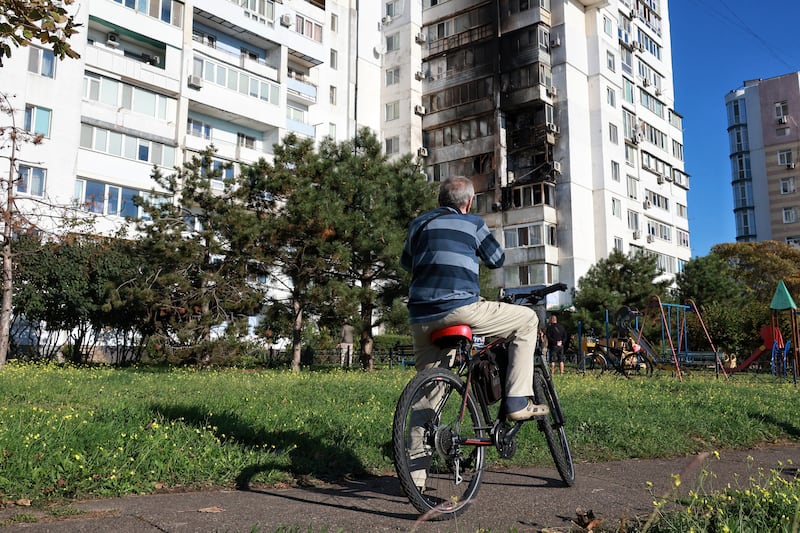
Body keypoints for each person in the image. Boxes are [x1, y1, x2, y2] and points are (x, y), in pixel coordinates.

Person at [401, 175, 548, 420]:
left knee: (428, 391)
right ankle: (517, 401)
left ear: (440, 201)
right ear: (469, 203)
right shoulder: (472, 223)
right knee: (528, 320)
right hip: (460, 308)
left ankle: (414, 457)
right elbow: (496, 259)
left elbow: (407, 263)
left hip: (421, 317)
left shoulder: (419, 224)